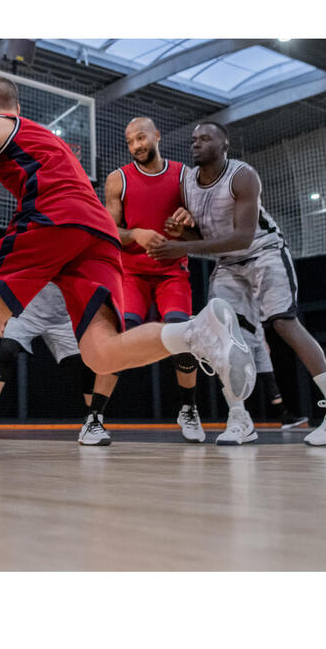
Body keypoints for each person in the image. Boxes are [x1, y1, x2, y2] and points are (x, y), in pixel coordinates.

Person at [0, 77, 255, 459]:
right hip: (100, 232)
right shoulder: (46, 138)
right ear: (18, 108)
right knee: (101, 353)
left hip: (53, 217)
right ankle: (197, 333)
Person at [150, 121, 326, 447]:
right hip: (228, 264)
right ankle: (239, 418)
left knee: (283, 322)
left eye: (205, 138)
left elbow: (242, 237)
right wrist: (185, 235)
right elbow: (207, 239)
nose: (196, 144)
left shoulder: (242, 176)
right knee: (221, 333)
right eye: (194, 139)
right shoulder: (187, 185)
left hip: (264, 251)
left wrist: (181, 247)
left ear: (224, 146)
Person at [88, 117, 204, 443]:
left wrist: (190, 222)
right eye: (130, 142)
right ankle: (94, 418)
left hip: (172, 273)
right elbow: (110, 233)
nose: (137, 145)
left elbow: (203, 234)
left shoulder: (185, 177)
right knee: (120, 339)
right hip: (133, 274)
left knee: (184, 336)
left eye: (141, 138)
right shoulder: (118, 180)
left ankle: (188, 409)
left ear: (157, 135)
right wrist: (135, 232)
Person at [0, 282, 110, 445]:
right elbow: (7, 274)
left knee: (87, 364)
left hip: (64, 315)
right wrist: (1, 309)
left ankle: (94, 421)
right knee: (5, 352)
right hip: (26, 312)